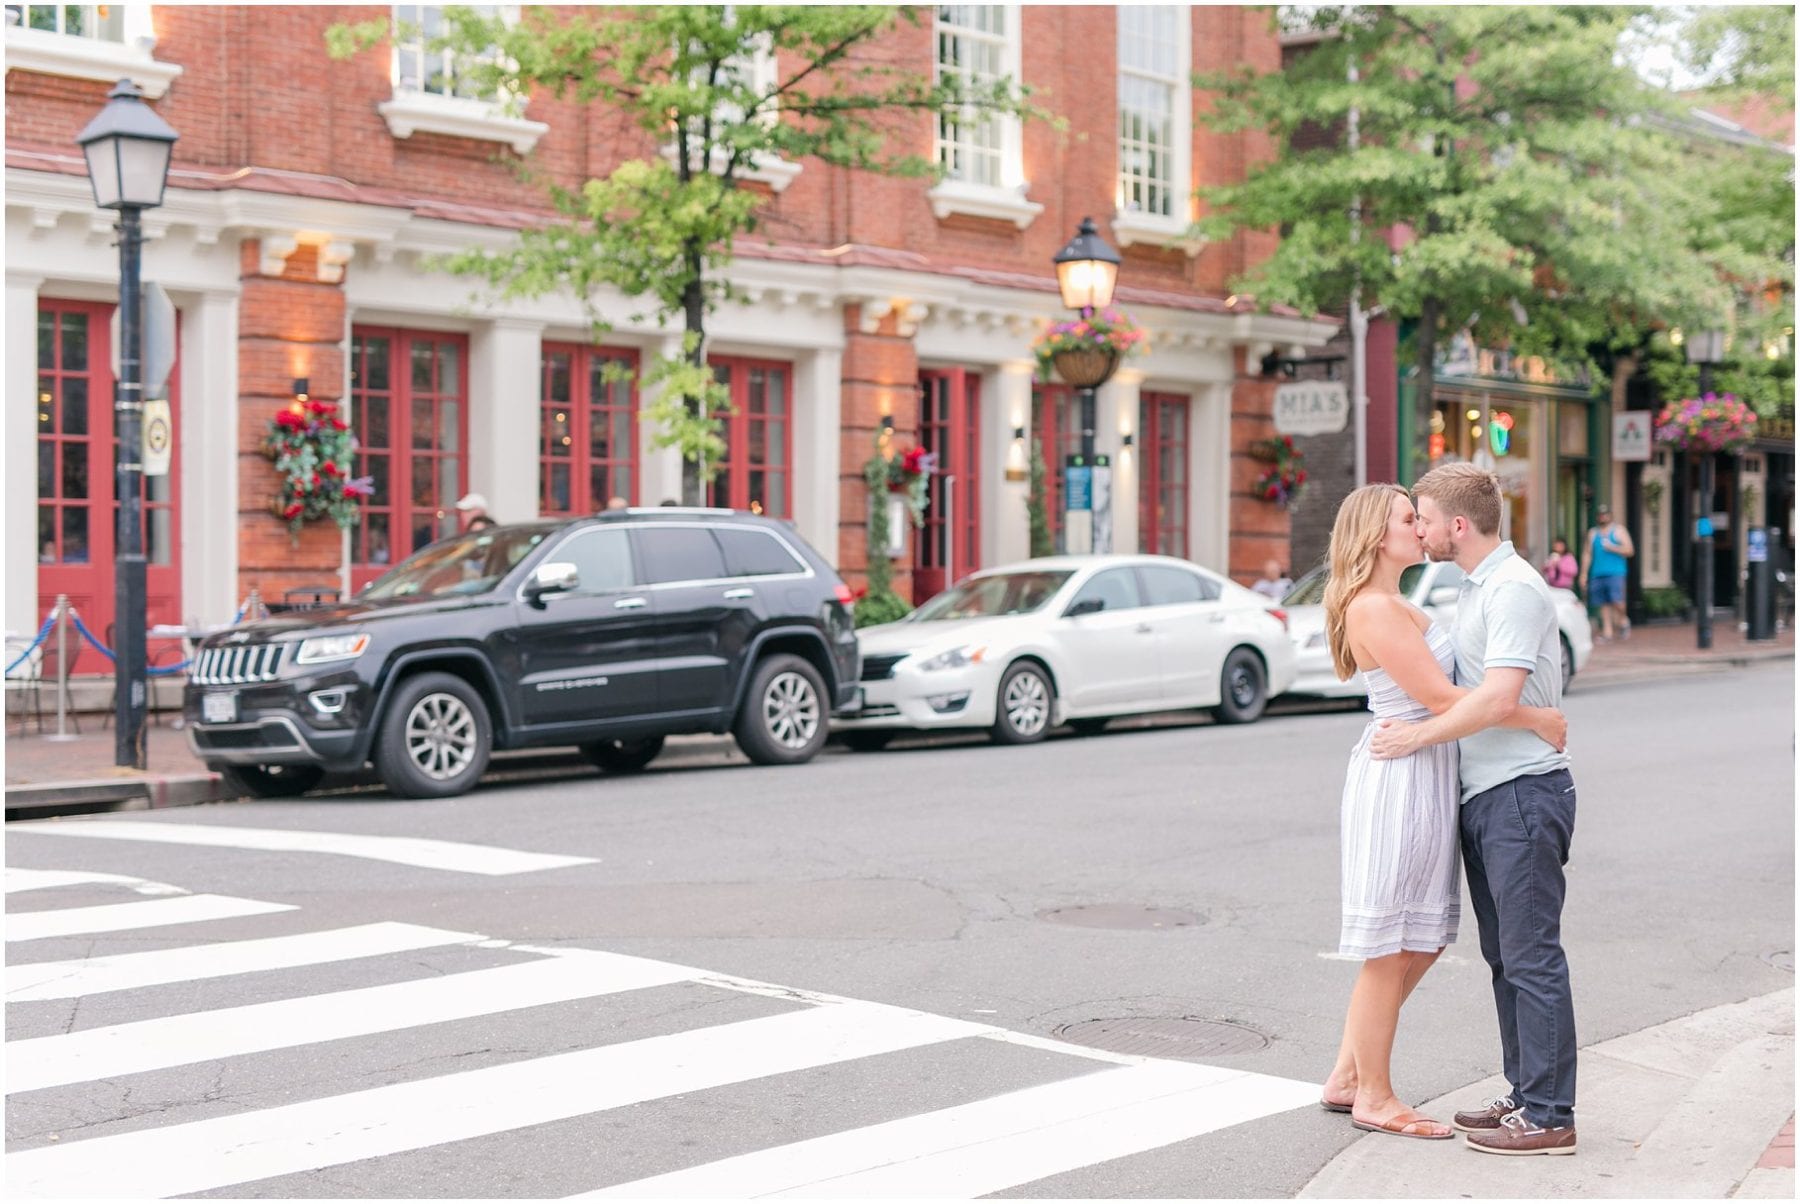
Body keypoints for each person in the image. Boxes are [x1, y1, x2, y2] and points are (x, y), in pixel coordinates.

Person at [1317, 483, 1567, 1142]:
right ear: (1377, 535)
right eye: (1408, 519)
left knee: (1422, 939)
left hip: (1431, 770)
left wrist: (1512, 707)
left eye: (1420, 517)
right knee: (1390, 945)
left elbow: (1465, 688)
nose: (1418, 529)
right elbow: (1439, 695)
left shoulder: (1403, 603)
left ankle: (1347, 1071)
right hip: (1401, 771)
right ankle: (1373, 1093)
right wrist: (1534, 715)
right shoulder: (1373, 608)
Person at [1578, 506, 1632, 641]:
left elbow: (1629, 550)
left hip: (1616, 572)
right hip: (1597, 572)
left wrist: (1612, 547)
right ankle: (1607, 632)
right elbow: (1587, 554)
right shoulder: (1593, 533)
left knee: (1617, 600)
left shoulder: (1619, 531)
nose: (1603, 517)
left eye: (1605, 514)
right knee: (1603, 603)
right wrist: (1584, 573)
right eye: (1600, 515)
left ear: (1610, 516)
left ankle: (1624, 620)